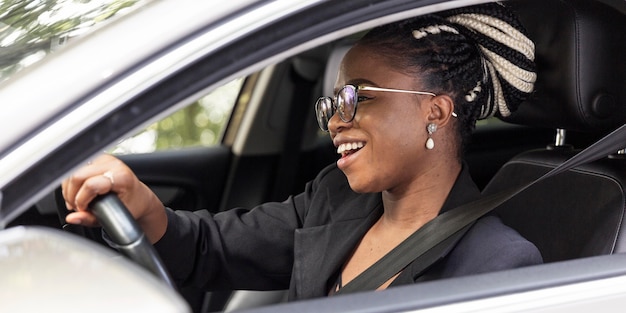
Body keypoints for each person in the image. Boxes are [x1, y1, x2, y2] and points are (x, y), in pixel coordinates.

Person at [62, 2, 542, 301]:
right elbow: (212, 249)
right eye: (332, 102)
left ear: (434, 112)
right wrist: (143, 206)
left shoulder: (497, 263)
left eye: (357, 97)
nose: (336, 119)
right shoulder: (333, 199)